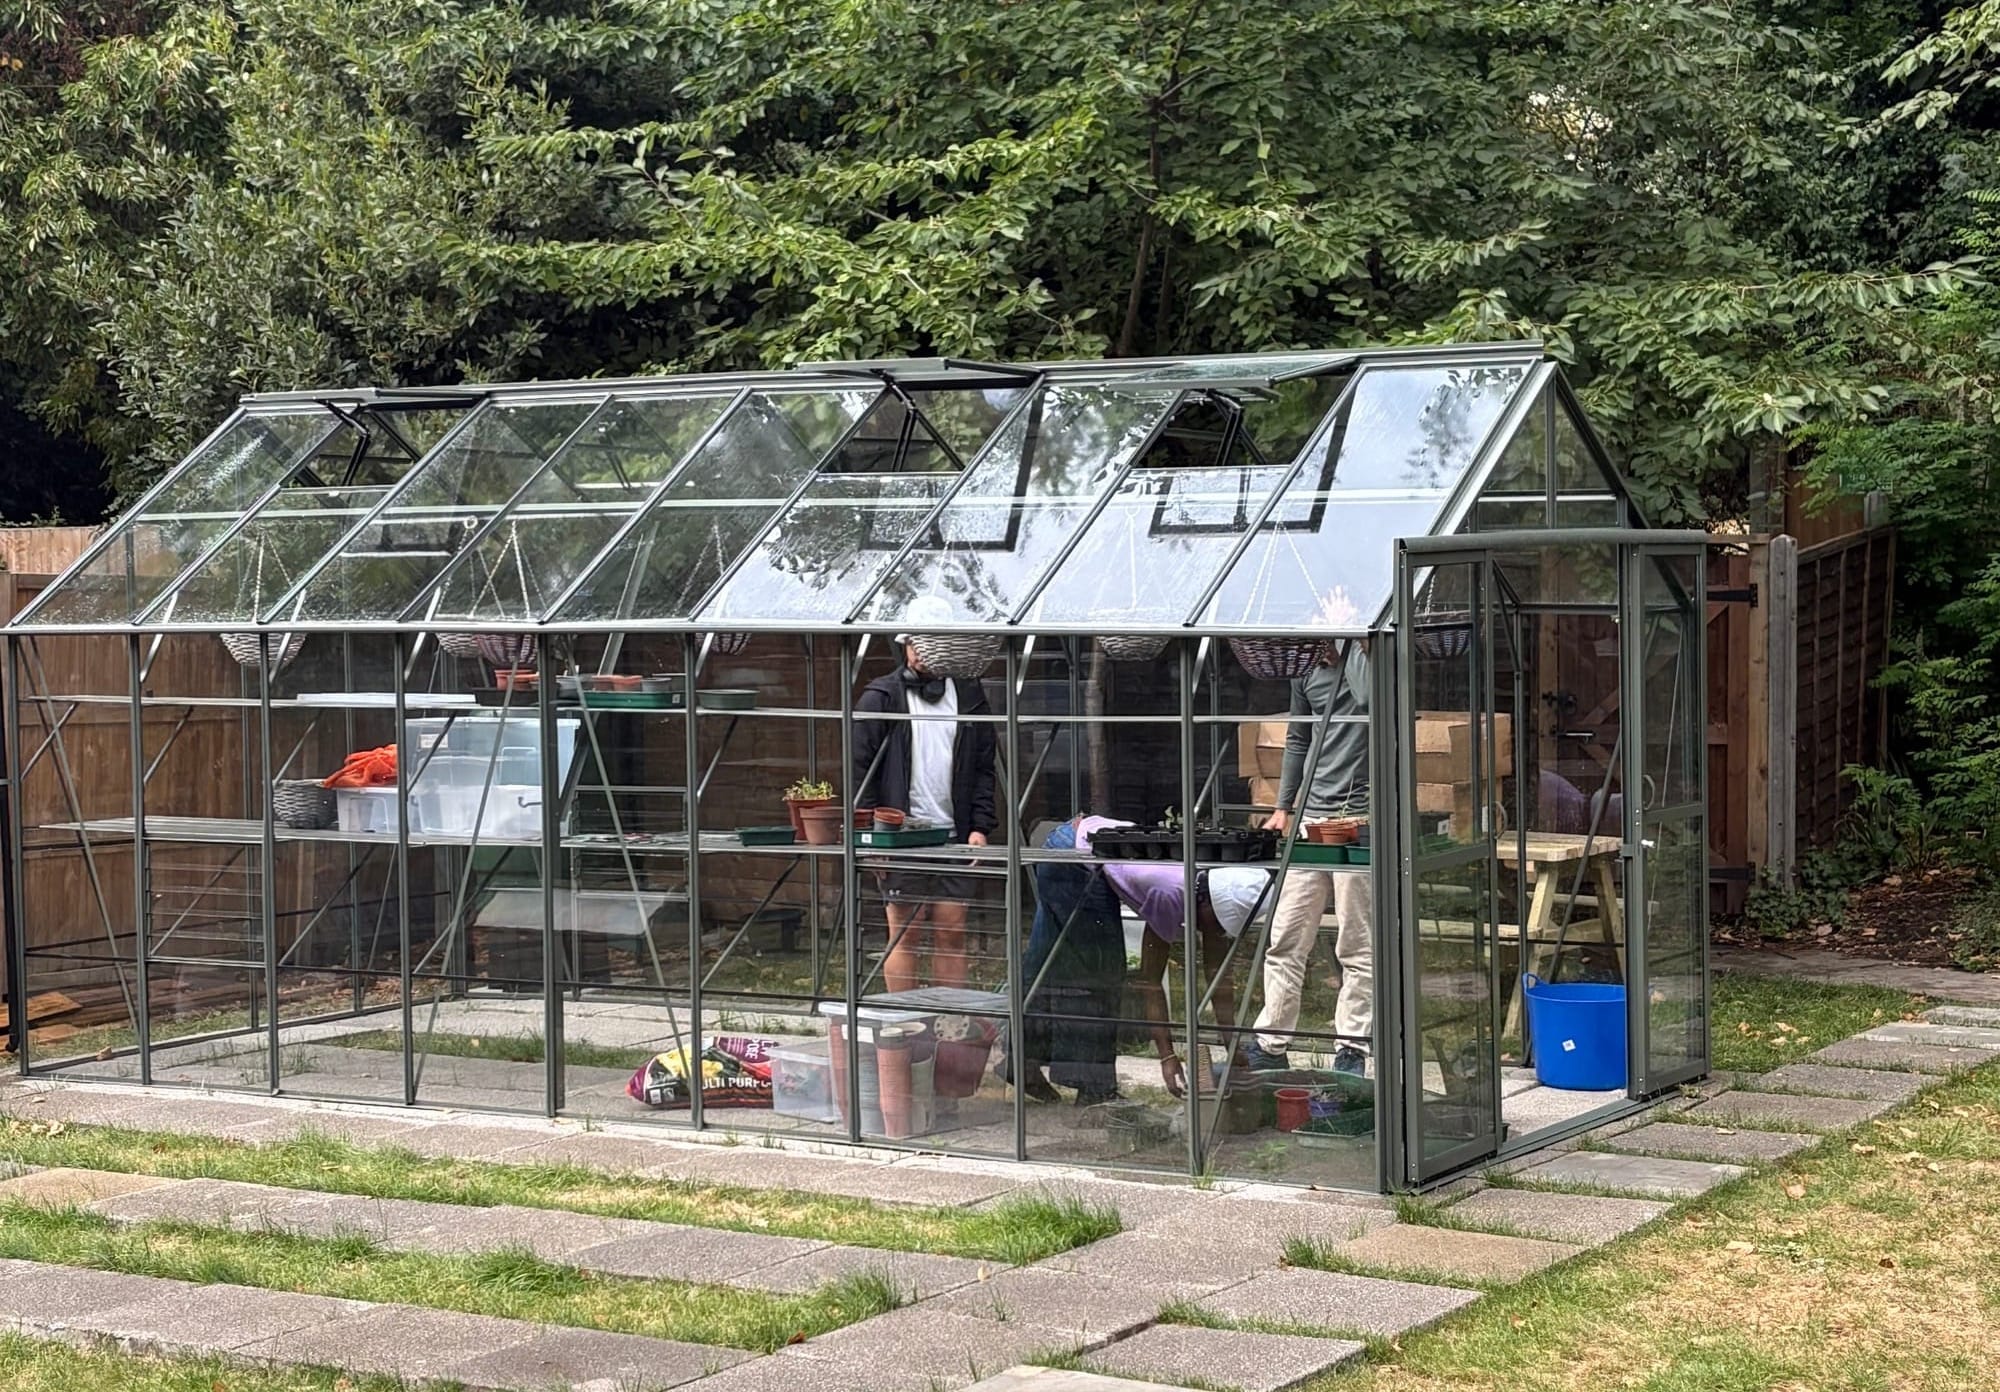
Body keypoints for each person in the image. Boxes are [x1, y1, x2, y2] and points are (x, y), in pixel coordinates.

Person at [852, 595, 997, 994]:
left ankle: (949, 1020)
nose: (918, 652)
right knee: (905, 932)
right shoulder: (881, 698)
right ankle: (905, 1023)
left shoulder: (970, 698)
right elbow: (860, 774)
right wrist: (872, 837)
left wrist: (980, 826)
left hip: (954, 834)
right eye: (913, 643)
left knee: (952, 931)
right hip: (901, 838)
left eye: (928, 643)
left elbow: (984, 767)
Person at [1255, 639, 1371, 1076]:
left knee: (1357, 944)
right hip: (1310, 820)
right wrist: (1283, 806)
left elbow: (1369, 700)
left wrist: (1348, 652)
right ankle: (1271, 1044)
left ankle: (1352, 1049)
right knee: (1285, 937)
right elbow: (1297, 738)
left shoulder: (1368, 661)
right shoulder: (1303, 668)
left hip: (1360, 820)